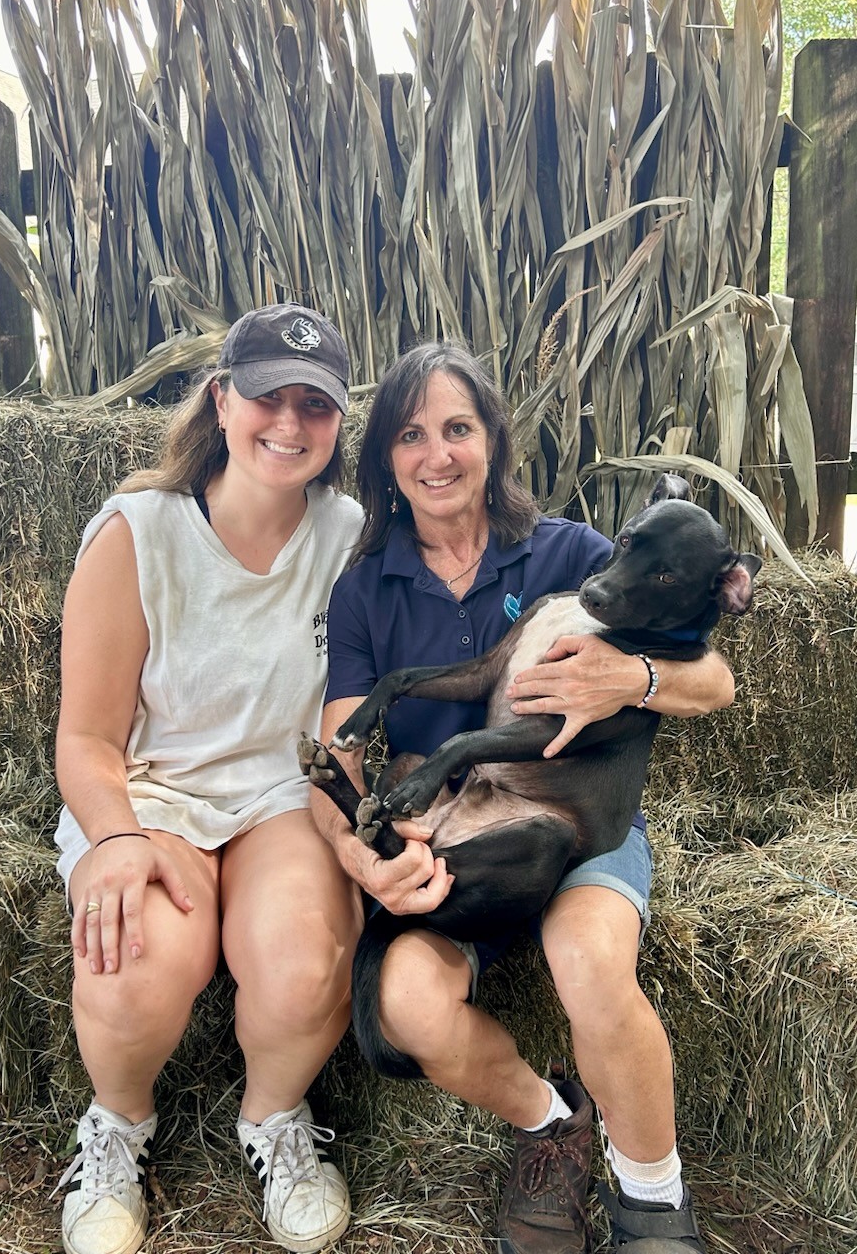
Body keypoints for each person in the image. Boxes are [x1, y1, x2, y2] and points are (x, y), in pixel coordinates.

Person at [312, 342, 732, 1254]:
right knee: (405, 1005)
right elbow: (339, 751)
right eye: (411, 435)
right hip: (456, 832)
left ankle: (652, 1196)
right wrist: (358, 856)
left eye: (458, 428)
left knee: (589, 959)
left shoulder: (574, 555)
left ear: (494, 441)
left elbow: (717, 683)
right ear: (386, 458)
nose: (437, 455)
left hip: (577, 827)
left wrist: (636, 677)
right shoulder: (364, 589)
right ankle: (554, 1124)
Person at [53, 303, 365, 1254]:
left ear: (338, 422)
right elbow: (86, 737)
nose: (290, 422)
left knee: (307, 962)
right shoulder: (138, 534)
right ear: (222, 400)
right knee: (130, 963)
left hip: (284, 795)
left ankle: (274, 1119)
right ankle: (118, 1124)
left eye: (315, 404)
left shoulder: (348, 535)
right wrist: (116, 837)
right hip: (152, 794)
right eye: (268, 396)